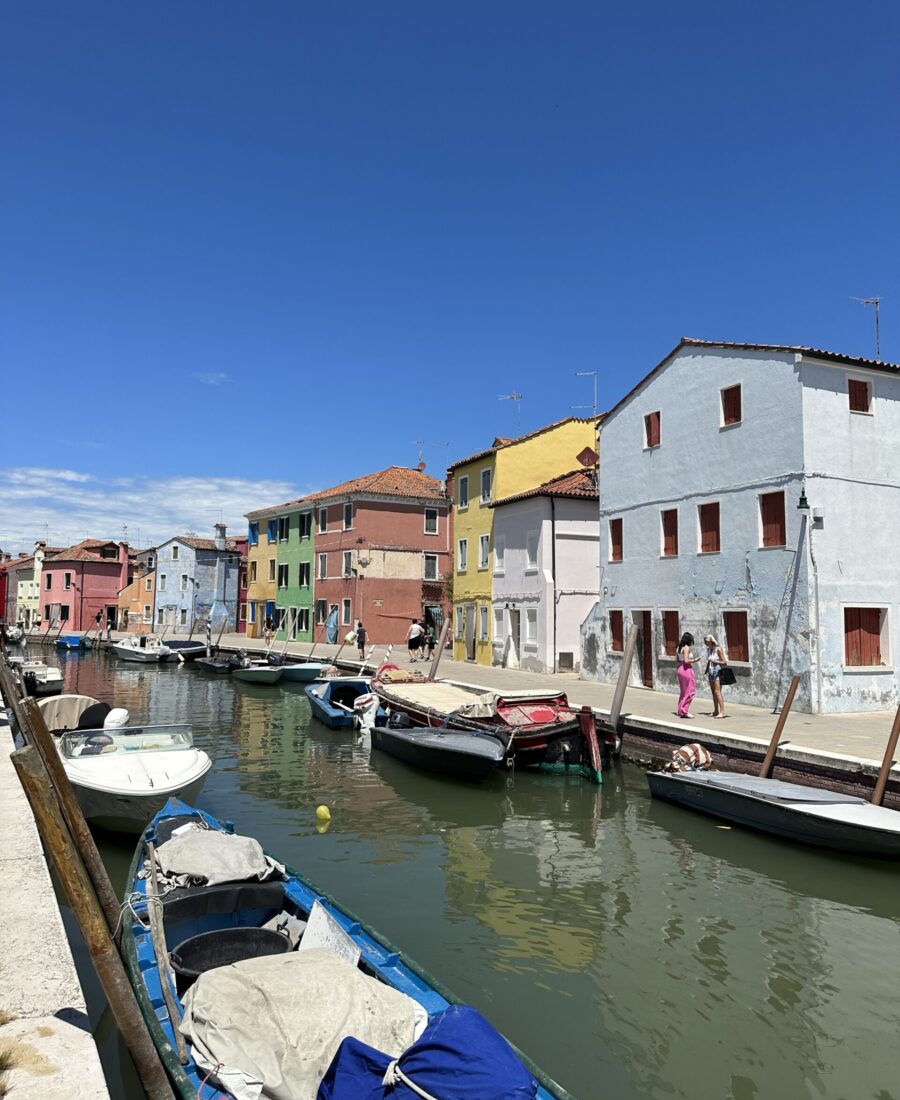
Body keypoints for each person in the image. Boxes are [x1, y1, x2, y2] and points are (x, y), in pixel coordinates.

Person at [675, 632, 701, 719]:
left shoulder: (679, 648)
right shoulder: (686, 648)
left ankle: (680, 710)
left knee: (683, 692)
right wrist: (695, 660)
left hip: (680, 669)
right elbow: (686, 660)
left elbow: (677, 660)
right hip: (686, 669)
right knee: (690, 691)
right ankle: (684, 711)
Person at [703, 633, 729, 718]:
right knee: (713, 692)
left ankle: (722, 712)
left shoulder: (718, 649)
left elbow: (724, 662)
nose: (705, 643)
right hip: (711, 671)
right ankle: (716, 711)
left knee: (717, 692)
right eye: (705, 642)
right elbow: (709, 660)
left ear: (711, 641)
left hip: (717, 671)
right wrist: (706, 669)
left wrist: (715, 662)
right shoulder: (709, 650)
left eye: (707, 642)